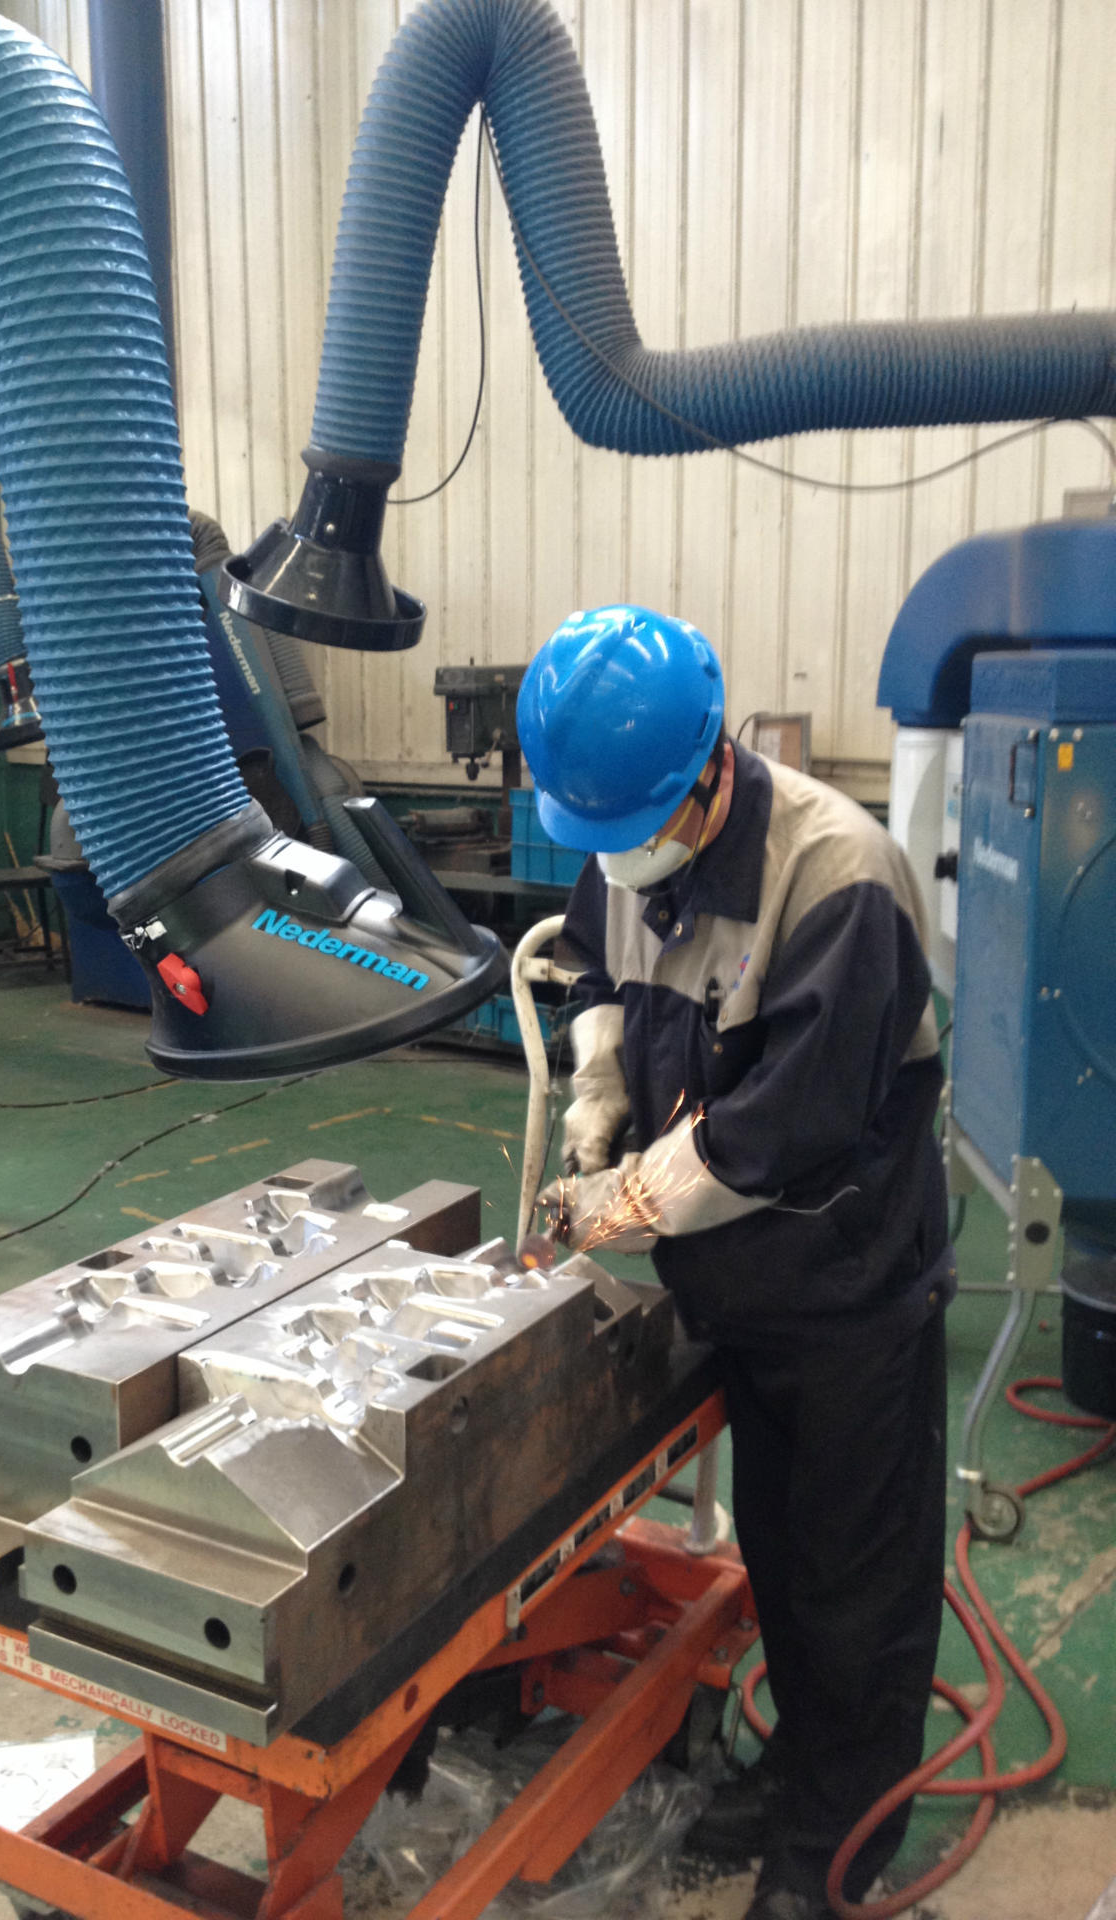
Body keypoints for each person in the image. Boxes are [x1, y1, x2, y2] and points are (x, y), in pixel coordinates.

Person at [520, 605, 954, 1920]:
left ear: (711, 769)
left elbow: (777, 1135)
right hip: (735, 1292)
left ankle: (841, 1843)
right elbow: (597, 970)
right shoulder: (626, 832)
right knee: (780, 1550)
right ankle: (798, 1778)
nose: (618, 860)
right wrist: (600, 1081)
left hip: (845, 1293)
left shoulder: (838, 878)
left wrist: (623, 1202)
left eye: (635, 831)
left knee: (854, 1581)